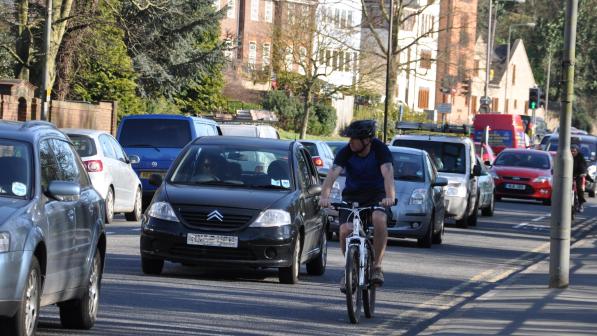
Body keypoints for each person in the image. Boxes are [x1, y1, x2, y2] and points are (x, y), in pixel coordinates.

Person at [319, 120, 396, 290]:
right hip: (353, 196)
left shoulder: (380, 150)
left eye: (354, 139)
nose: (350, 142)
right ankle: (349, 269)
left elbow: (388, 174)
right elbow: (332, 175)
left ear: (367, 140)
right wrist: (324, 196)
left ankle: (376, 267)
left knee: (379, 218)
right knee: (345, 229)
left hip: (377, 196)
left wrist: (390, 196)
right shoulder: (346, 151)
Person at [571, 144, 588, 212]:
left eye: (574, 151)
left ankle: (581, 204)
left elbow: (583, 166)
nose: (572, 152)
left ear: (577, 151)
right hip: (568, 176)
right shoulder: (567, 156)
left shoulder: (580, 157)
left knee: (579, 188)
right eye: (571, 151)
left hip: (578, 175)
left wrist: (583, 172)